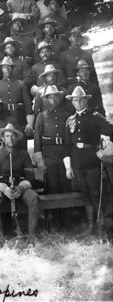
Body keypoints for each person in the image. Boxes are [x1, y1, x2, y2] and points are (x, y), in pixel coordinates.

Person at [63, 86, 113, 235]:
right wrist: (68, 167)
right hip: (77, 163)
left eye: (80, 100)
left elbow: (110, 128)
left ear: (85, 100)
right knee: (85, 194)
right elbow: (67, 145)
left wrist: (104, 143)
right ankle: (91, 226)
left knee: (95, 194)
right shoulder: (69, 120)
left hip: (92, 160)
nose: (78, 103)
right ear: (72, 102)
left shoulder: (95, 116)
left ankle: (101, 227)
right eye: (75, 100)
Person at [0, 123, 39, 243]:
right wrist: (4, 188)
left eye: (12, 136)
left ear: (16, 138)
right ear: (3, 138)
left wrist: (21, 188)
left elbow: (30, 177)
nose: (10, 139)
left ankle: (32, 236)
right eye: (7, 136)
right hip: (3, 188)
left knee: (34, 198)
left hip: (20, 187)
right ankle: (0, 237)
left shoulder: (24, 154)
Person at [33, 85, 70, 230]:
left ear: (59, 98)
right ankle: (54, 224)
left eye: (55, 96)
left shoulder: (67, 115)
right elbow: (37, 142)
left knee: (66, 187)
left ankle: (67, 222)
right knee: (53, 187)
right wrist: (41, 162)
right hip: (49, 156)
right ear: (46, 99)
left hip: (64, 155)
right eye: (50, 96)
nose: (53, 99)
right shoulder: (41, 116)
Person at [0, 56, 34, 135]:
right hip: (3, 119)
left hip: (19, 119)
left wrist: (29, 123)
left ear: (13, 68)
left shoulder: (20, 84)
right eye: (4, 67)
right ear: (1, 69)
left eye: (9, 67)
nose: (7, 69)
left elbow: (27, 104)